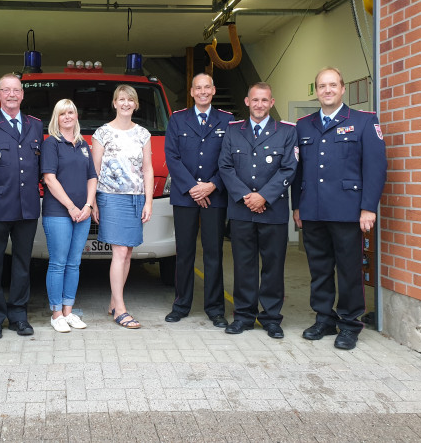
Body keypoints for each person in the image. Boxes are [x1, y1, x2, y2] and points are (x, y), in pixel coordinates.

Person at [292, 67, 387, 350]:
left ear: (343, 89)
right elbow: (298, 171)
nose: (327, 90)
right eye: (322, 86)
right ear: (317, 91)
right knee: (319, 269)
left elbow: (376, 168)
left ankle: (349, 323)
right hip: (313, 210)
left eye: (333, 85)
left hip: (348, 211)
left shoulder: (363, 122)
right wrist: (297, 207)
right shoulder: (303, 125)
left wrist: (368, 208)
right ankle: (324, 318)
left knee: (349, 270)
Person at [218, 82, 297, 339]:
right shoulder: (232, 132)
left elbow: (289, 168)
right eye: (255, 100)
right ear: (247, 101)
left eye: (264, 100)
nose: (260, 105)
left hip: (272, 211)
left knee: (273, 267)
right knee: (243, 266)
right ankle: (243, 316)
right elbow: (225, 167)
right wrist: (246, 196)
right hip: (241, 211)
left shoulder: (286, 132)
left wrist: (264, 196)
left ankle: (272, 318)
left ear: (271, 103)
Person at [0, 73, 43, 340]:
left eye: (16, 90)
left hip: (27, 206)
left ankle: (18, 315)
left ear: (23, 95)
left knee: (22, 264)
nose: (12, 95)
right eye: (7, 90)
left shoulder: (35, 125)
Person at [164, 73, 233, 327]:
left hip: (215, 196)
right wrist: (194, 188)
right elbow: (172, 156)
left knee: (213, 253)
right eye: (198, 88)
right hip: (185, 196)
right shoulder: (177, 119)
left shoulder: (227, 120)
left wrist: (212, 185)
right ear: (191, 92)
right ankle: (181, 305)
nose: (203, 92)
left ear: (213, 90)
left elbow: (229, 158)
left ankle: (215, 309)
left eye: (207, 87)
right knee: (184, 253)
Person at [91, 84, 153, 329]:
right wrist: (93, 200)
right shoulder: (102, 133)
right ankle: (121, 309)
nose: (126, 103)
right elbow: (94, 170)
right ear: (114, 103)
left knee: (128, 252)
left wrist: (148, 201)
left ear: (136, 105)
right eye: (121, 99)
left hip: (136, 197)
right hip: (111, 197)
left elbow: (147, 169)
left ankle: (113, 301)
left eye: (131, 100)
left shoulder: (143, 134)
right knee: (119, 252)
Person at [41, 99, 97, 333]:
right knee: (58, 263)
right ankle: (56, 314)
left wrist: (88, 206)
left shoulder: (84, 144)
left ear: (76, 116)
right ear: (57, 117)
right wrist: (72, 208)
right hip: (58, 213)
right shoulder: (51, 144)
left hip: (83, 212)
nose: (67, 116)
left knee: (74, 263)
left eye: (71, 112)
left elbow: (92, 177)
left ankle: (68, 311)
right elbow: (49, 179)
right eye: (62, 113)